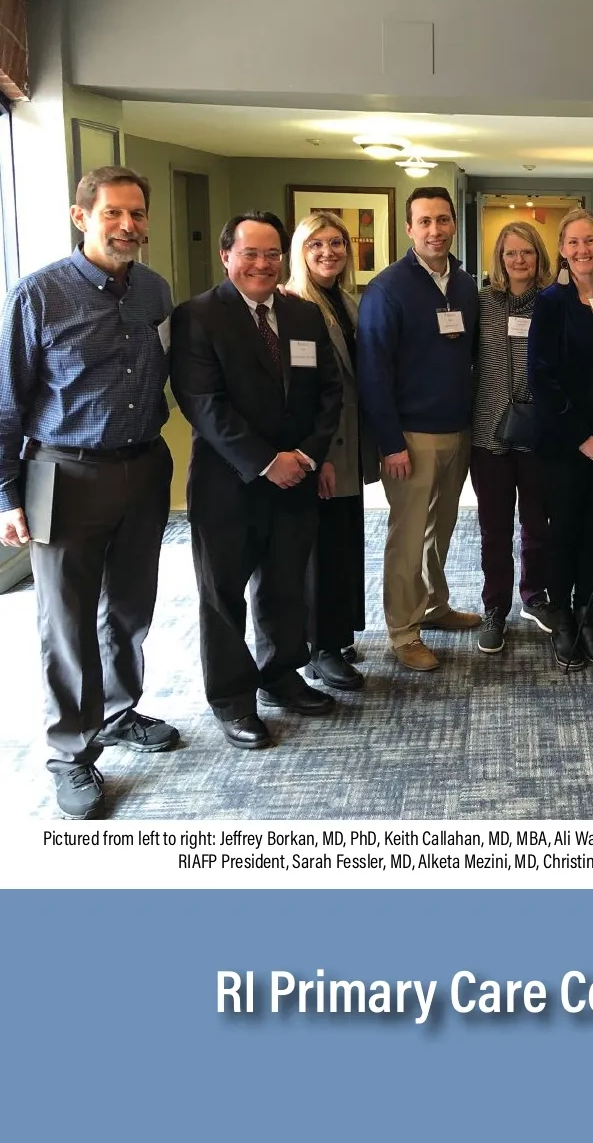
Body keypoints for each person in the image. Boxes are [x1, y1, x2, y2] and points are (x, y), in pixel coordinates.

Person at [0, 166, 176, 819]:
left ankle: (121, 711)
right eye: (112, 214)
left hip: (144, 467)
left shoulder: (153, 290)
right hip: (62, 473)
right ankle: (71, 752)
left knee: (129, 605)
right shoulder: (38, 294)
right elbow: (5, 403)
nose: (128, 225)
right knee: (66, 620)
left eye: (137, 214)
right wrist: (6, 496)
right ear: (82, 218)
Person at [171, 211, 343, 750]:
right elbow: (203, 404)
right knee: (222, 595)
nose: (262, 264)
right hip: (229, 483)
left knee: (285, 585)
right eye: (250, 253)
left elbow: (330, 392)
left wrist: (308, 455)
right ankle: (232, 698)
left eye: (272, 254)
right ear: (227, 255)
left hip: (296, 481)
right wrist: (269, 461)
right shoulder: (198, 316)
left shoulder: (302, 314)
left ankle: (280, 674)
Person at [357, 186, 480, 671]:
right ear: (409, 228)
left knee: (440, 529)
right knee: (408, 537)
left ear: (454, 225)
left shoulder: (464, 284)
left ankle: (434, 605)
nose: (435, 230)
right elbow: (373, 372)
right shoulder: (387, 289)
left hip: (457, 430)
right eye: (424, 221)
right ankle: (403, 632)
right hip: (410, 436)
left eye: (443, 220)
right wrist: (390, 443)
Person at [527, 206, 593, 669]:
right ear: (562, 250)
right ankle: (564, 620)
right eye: (573, 242)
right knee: (564, 531)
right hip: (566, 442)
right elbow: (541, 377)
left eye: (590, 240)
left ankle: (588, 615)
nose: (582, 249)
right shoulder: (551, 302)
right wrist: (580, 437)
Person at [286, 210, 379, 691]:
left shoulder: (346, 300)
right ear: (300, 252)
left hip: (349, 444)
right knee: (318, 552)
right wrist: (315, 457)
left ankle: (338, 635)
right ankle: (317, 648)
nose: (329, 252)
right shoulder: (293, 304)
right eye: (316, 244)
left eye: (337, 243)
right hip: (320, 450)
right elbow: (297, 392)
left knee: (344, 543)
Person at [470, 221, 554, 653]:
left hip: (538, 433)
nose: (519, 260)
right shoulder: (480, 302)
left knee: (537, 523)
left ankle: (534, 597)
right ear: (499, 259)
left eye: (527, 252)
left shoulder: (553, 302)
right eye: (510, 253)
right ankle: (495, 606)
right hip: (488, 432)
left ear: (539, 256)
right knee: (494, 528)